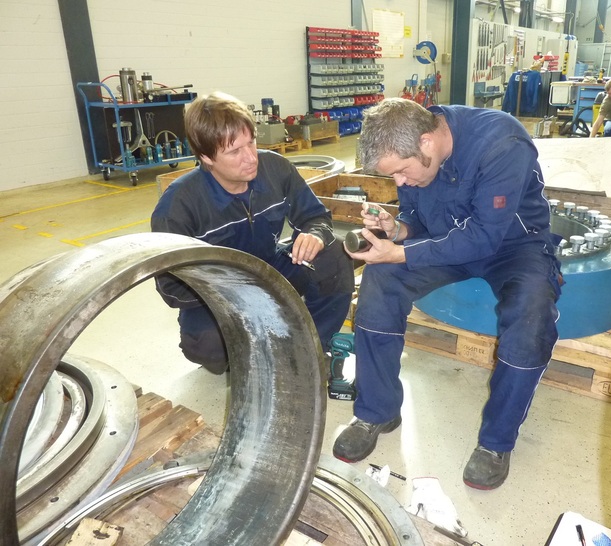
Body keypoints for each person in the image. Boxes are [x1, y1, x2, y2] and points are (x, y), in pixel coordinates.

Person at [333, 98, 562, 490]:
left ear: (426, 142)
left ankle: (495, 443)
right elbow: (419, 223)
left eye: (402, 173)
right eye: (394, 178)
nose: (400, 183)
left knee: (531, 310)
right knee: (381, 279)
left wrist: (402, 251)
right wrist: (395, 229)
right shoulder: (414, 160)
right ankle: (377, 410)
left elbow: (485, 236)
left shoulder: (502, 143)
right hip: (449, 243)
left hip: (514, 247)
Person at [151, 91, 354, 374]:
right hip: (220, 295)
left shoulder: (276, 168)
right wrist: (236, 293)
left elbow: (315, 216)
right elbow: (172, 288)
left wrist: (315, 234)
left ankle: (312, 347)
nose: (250, 158)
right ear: (206, 157)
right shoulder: (178, 207)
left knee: (334, 255)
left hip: (272, 271)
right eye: (234, 151)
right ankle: (248, 352)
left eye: (252, 142)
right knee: (208, 345)